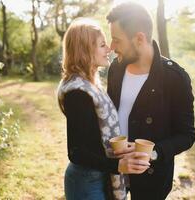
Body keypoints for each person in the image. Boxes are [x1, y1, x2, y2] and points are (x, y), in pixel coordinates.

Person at [106, 2, 195, 200]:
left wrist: (152, 153)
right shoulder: (116, 68)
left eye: (117, 40)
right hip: (113, 169)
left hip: (152, 178)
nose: (112, 48)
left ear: (139, 38)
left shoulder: (175, 77)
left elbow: (186, 135)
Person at [57, 18, 150, 200]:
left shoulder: (90, 85)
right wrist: (118, 166)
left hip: (98, 176)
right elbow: (76, 152)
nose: (109, 49)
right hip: (86, 183)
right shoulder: (77, 92)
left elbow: (94, 138)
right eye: (102, 45)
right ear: (85, 50)